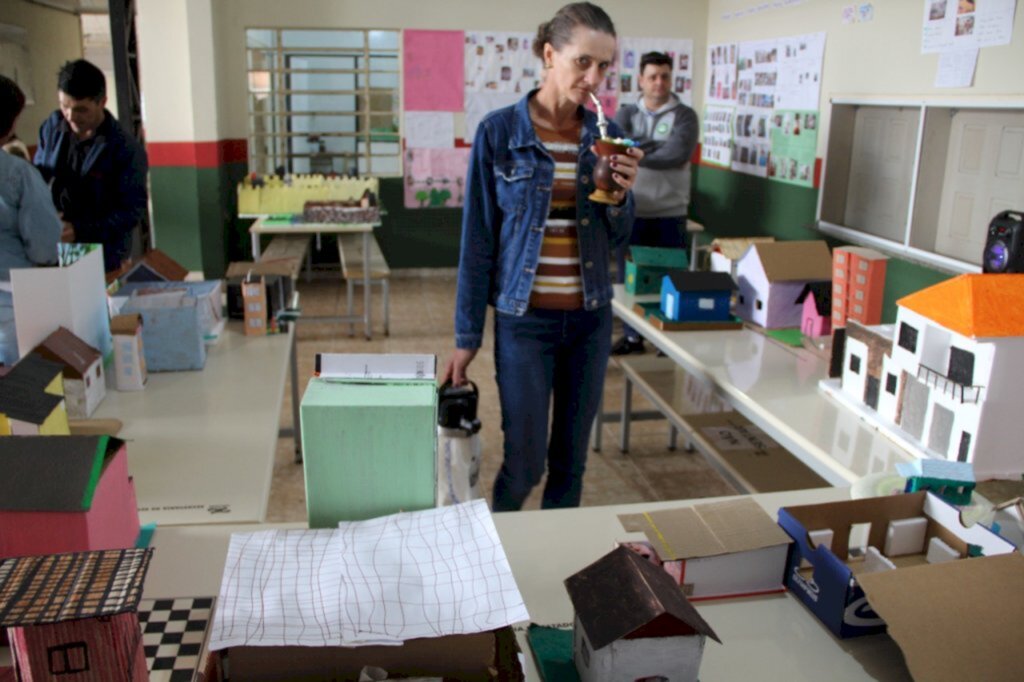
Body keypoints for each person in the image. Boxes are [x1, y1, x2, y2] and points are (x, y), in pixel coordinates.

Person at [441, 2, 641, 511]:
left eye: (605, 66)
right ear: (550, 54)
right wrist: (466, 340)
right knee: (525, 462)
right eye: (583, 62)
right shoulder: (499, 133)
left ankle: (555, 565)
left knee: (570, 465)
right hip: (524, 322)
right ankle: (496, 551)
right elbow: (477, 241)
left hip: (590, 321)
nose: (594, 77)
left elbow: (618, 239)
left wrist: (620, 198)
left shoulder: (606, 134)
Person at [611, 51, 699, 355]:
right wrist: (652, 148)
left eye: (664, 76)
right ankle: (633, 337)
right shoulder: (625, 114)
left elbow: (677, 154)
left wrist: (636, 148)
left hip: (670, 212)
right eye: (652, 76)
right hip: (631, 210)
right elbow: (617, 148)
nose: (659, 82)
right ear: (641, 80)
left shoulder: (685, 115)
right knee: (630, 281)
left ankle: (666, 339)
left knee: (669, 280)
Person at [34, 59, 148, 273]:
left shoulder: (125, 148)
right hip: (54, 245)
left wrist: (79, 230)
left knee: (90, 305)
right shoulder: (52, 126)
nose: (70, 116)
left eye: (81, 109)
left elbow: (132, 211)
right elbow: (38, 177)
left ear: (102, 102)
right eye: (64, 106)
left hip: (100, 251)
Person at [0, 76, 62, 365]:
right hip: (10, 298)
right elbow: (44, 245)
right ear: (11, 124)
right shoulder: (18, 174)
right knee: (20, 390)